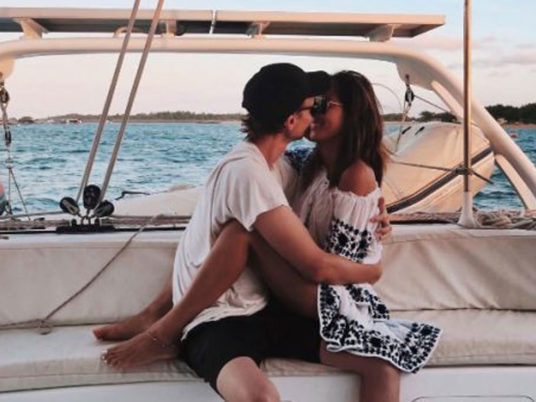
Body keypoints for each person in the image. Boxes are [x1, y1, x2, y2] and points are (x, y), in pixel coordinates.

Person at [96, 64, 397, 402]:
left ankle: (156, 320)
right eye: (312, 106)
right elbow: (316, 265)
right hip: (221, 313)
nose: (315, 113)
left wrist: (378, 218)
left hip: (274, 304)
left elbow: (350, 199)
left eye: (322, 105)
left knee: (382, 364)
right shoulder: (260, 170)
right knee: (243, 233)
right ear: (291, 121)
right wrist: (374, 271)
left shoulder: (285, 164)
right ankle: (162, 330)